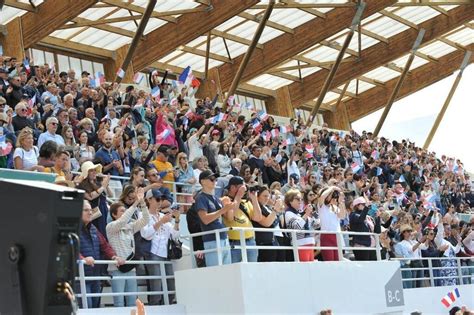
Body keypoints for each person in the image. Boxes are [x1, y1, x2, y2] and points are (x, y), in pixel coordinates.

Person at [106, 188, 150, 307]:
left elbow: (146, 219)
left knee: (132, 301)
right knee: (119, 301)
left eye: (125, 211)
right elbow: (122, 220)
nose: (125, 213)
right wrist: (135, 203)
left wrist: (142, 203)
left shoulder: (130, 226)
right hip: (117, 269)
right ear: (114, 215)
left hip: (130, 268)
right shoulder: (110, 227)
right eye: (121, 211)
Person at [79, 200, 124, 308]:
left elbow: (105, 245)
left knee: (95, 307)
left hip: (95, 276)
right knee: (86, 307)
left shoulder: (93, 228)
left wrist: (114, 256)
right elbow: (69, 249)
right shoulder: (72, 229)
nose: (90, 213)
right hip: (81, 277)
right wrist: (83, 259)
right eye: (86, 210)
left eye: (90, 210)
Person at [140, 189, 180, 305]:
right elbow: (145, 234)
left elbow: (175, 235)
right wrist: (161, 222)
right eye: (157, 199)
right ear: (149, 200)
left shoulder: (163, 215)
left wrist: (177, 220)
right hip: (152, 254)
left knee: (171, 287)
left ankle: (165, 309)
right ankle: (154, 309)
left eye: (161, 199)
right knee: (156, 287)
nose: (160, 202)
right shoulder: (143, 214)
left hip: (166, 254)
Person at [192, 170, 235, 267]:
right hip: (212, 240)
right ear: (202, 181)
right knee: (215, 272)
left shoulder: (215, 198)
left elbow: (229, 218)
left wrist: (230, 206)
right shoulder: (200, 198)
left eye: (215, 179)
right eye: (211, 179)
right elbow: (205, 219)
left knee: (226, 271)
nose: (214, 181)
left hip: (223, 238)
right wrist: (224, 209)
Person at [223, 176, 262, 263]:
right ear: (232, 187)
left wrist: (254, 199)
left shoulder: (245, 202)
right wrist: (238, 195)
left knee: (252, 270)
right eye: (242, 187)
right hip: (234, 243)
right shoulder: (225, 200)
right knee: (233, 271)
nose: (244, 189)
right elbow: (230, 218)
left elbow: (258, 218)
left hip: (250, 241)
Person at [283, 189, 319, 262]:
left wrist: (314, 214)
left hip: (309, 243)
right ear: (290, 200)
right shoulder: (289, 213)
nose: (300, 201)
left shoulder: (300, 213)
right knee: (304, 269)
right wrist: (306, 214)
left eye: (301, 199)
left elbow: (316, 225)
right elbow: (297, 227)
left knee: (310, 269)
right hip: (300, 244)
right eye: (297, 199)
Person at [252, 185, 285, 262]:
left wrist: (277, 211)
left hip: (274, 240)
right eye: (264, 196)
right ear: (257, 196)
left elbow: (279, 224)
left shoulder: (267, 207)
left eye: (268, 196)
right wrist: (275, 210)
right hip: (263, 243)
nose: (267, 198)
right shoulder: (256, 208)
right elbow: (267, 223)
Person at [318, 186, 347, 261]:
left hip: (337, 236)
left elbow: (342, 216)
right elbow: (321, 197)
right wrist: (332, 188)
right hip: (326, 236)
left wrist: (341, 202)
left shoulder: (334, 207)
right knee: (329, 261)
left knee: (338, 261)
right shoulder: (322, 206)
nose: (332, 196)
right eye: (330, 194)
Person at [349, 196, 381, 261]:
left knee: (373, 266)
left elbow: (377, 231)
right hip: (360, 245)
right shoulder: (353, 215)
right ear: (357, 205)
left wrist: (378, 218)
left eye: (365, 204)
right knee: (364, 267)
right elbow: (360, 219)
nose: (366, 206)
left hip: (371, 245)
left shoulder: (368, 217)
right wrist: (366, 207)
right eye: (363, 204)